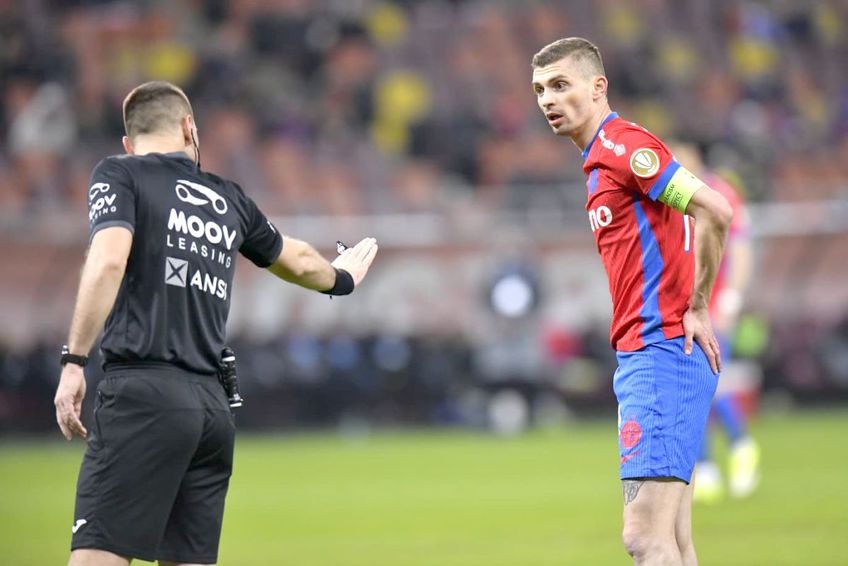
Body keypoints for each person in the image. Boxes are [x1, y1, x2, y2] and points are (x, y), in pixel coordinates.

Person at [53, 80, 379, 566]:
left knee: (97, 558)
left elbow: (106, 262)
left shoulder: (119, 174)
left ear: (129, 144)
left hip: (143, 397)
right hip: (210, 411)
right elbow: (299, 259)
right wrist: (344, 279)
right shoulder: (227, 198)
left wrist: (74, 360)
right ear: (189, 128)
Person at [531, 38, 732, 565]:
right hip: (654, 354)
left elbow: (715, 209)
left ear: (598, 87)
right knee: (675, 541)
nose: (547, 99)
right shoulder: (604, 159)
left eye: (559, 85)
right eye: (539, 90)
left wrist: (700, 304)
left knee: (644, 539)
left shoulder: (622, 149)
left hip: (661, 352)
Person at [669, 142, 760, 503]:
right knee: (691, 387)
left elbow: (741, 249)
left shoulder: (720, 193)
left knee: (703, 382)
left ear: (696, 158)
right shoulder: (672, 194)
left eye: (681, 158)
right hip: (683, 305)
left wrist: (731, 298)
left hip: (712, 304)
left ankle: (738, 445)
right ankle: (707, 465)